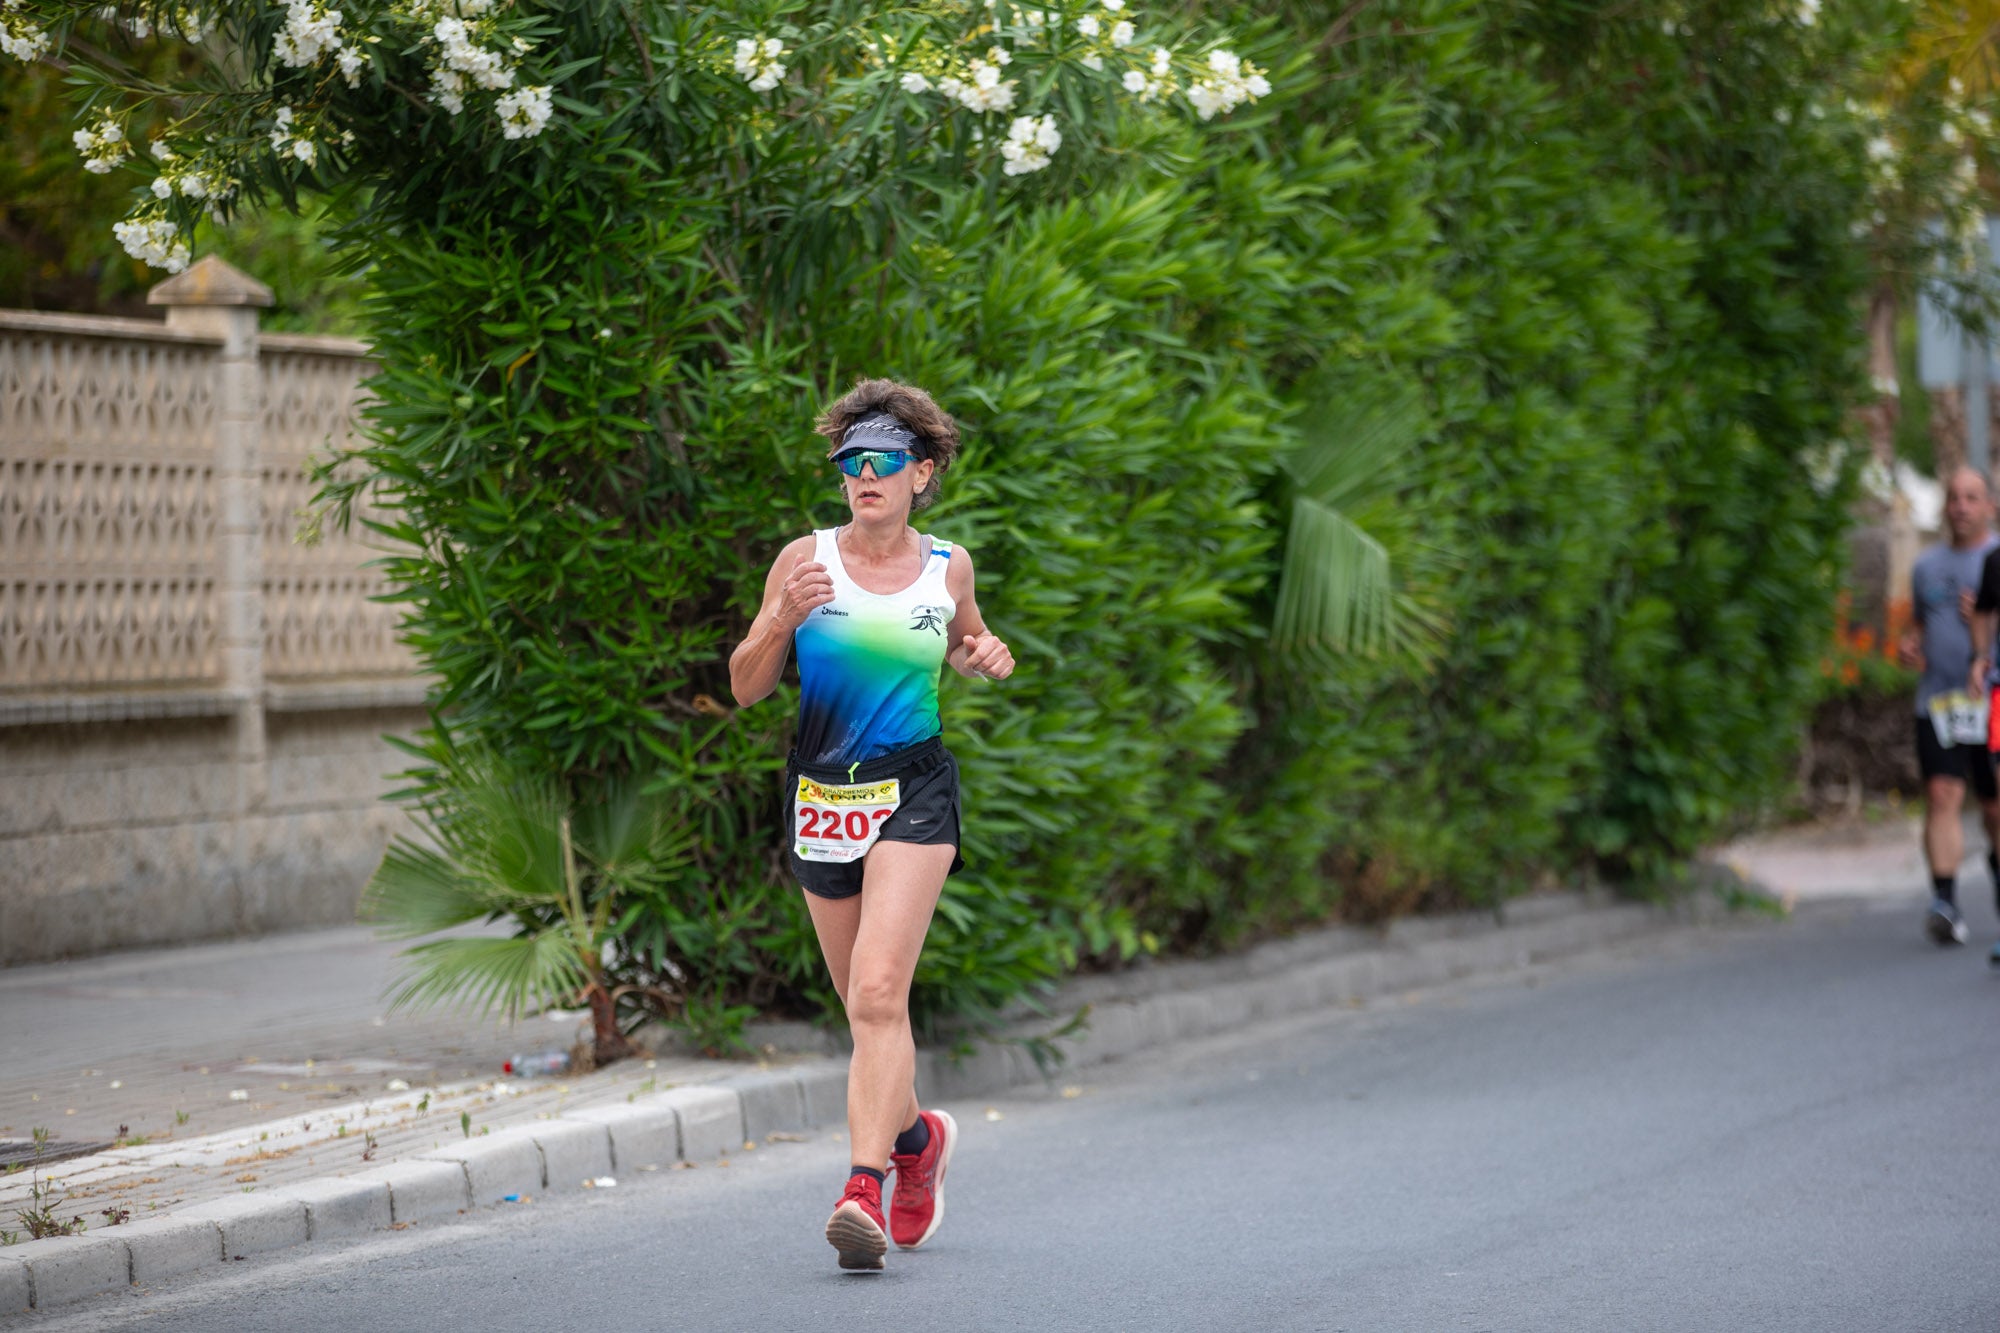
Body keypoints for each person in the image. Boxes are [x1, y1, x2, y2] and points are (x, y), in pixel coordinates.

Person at [727, 378, 1015, 1271]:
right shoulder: (802, 559)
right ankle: (917, 1142)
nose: (865, 474)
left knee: (881, 991)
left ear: (921, 473)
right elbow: (745, 685)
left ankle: (862, 1192)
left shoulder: (946, 565)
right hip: (822, 792)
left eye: (885, 460)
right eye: (851, 461)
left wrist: (982, 655)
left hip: (916, 790)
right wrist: (780, 615)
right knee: (861, 1006)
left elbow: (966, 637)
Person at [1901, 466, 2000, 948]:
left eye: (1971, 497)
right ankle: (1945, 901)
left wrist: (1984, 616)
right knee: (1941, 793)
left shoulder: (1997, 560)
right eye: (1953, 497)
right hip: (1939, 701)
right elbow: (1919, 625)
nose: (1961, 506)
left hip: (1991, 703)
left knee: (1994, 808)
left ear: (1989, 506)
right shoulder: (1925, 567)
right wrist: (1910, 646)